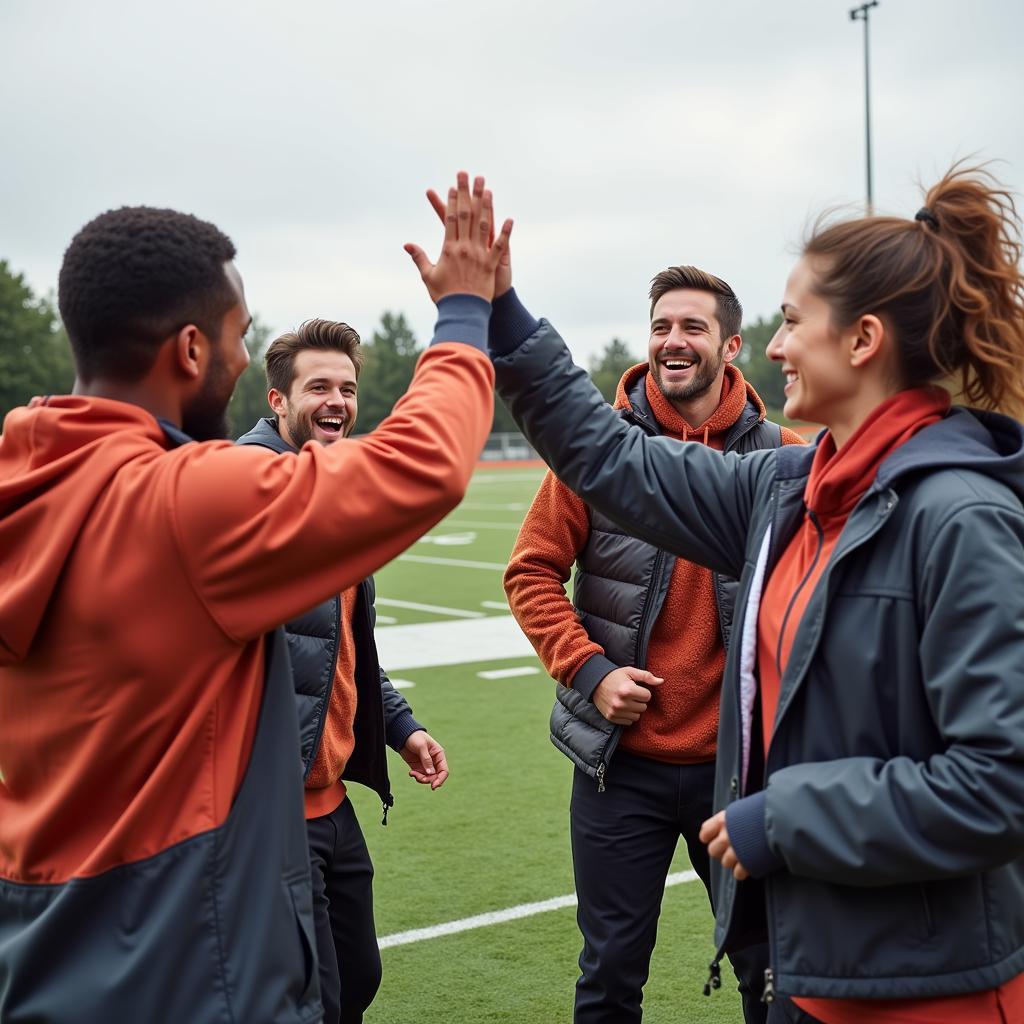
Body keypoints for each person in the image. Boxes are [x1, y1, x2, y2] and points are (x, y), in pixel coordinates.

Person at [438, 166, 1024, 1023]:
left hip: (925, 988)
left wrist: (785, 818)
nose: (777, 347)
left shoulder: (962, 517)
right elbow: (613, 459)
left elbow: (999, 784)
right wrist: (501, 311)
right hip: (816, 964)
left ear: (862, 341)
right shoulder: (788, 489)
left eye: (792, 323)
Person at [0, 174, 509, 1022]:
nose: (242, 361)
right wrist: (464, 311)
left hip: (48, 943)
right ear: (191, 351)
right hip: (185, 954)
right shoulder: (183, 501)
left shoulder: (28, 480)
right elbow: (422, 466)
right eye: (237, 338)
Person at [503, 265, 802, 1023]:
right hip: (620, 769)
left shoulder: (783, 457)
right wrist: (589, 670)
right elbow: (531, 570)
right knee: (608, 973)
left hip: (739, 772)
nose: (674, 341)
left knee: (767, 966)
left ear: (731, 345)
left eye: (693, 327)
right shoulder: (596, 452)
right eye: (662, 326)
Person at [237, 318, 449, 1024]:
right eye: (318, 386)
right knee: (316, 999)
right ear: (277, 399)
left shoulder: (330, 495)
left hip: (333, 805)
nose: (336, 401)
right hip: (272, 813)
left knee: (356, 979)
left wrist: (401, 728)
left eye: (348, 388)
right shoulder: (246, 491)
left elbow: (340, 653)